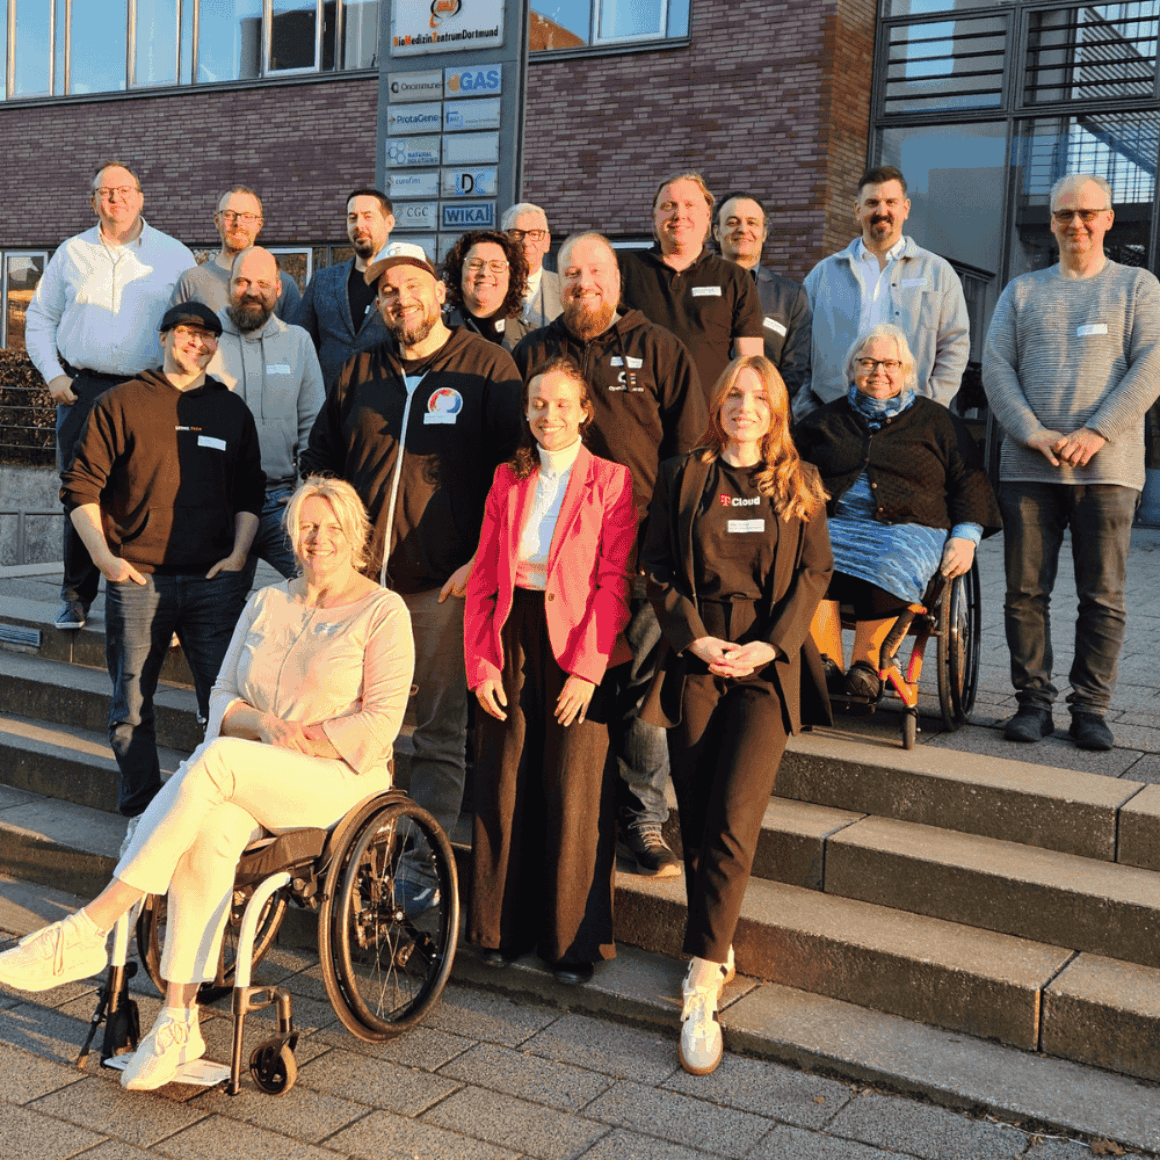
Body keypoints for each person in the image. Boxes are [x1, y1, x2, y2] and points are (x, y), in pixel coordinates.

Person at [0, 477, 415, 1093]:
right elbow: (221, 695)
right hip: (255, 768)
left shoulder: (383, 611)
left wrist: (297, 738)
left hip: (339, 778)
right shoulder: (268, 601)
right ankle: (178, 1021)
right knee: (209, 829)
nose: (318, 539)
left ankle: (93, 925)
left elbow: (380, 724)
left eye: (332, 528)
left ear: (355, 535)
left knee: (217, 761)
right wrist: (263, 725)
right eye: (307, 526)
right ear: (291, 533)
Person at [640, 355, 832, 1075]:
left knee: (733, 819)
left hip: (765, 663)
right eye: (734, 395)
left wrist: (769, 645)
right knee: (695, 817)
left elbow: (814, 571)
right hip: (697, 656)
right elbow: (657, 564)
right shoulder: (683, 475)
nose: (745, 406)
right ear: (718, 405)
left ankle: (700, 985)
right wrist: (693, 637)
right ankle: (714, 943)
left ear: (775, 410)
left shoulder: (799, 481)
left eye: (759, 397)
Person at [301, 241, 523, 852]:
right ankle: (357, 850)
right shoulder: (359, 370)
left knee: (436, 733)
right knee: (350, 720)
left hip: (444, 587)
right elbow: (320, 461)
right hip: (361, 586)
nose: (402, 299)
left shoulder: (487, 366)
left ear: (441, 292)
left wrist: (482, 557)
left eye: (413, 286)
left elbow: (517, 472)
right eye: (388, 291)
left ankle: (425, 861)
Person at [513, 231, 707, 878]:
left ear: (618, 281)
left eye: (595, 271)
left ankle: (642, 817)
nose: (583, 283)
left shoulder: (660, 349)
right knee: (558, 681)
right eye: (571, 273)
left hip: (641, 551)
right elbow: (512, 450)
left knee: (640, 687)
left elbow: (687, 455)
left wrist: (674, 543)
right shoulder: (533, 352)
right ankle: (564, 812)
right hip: (550, 559)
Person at [60, 303, 266, 831]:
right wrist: (105, 559)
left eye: (208, 335)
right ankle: (142, 813)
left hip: (213, 585)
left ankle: (216, 810)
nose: (197, 343)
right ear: (164, 337)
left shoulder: (231, 410)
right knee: (131, 706)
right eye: (186, 332)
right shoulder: (120, 403)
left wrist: (238, 555)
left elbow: (251, 491)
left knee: (224, 705)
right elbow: (80, 487)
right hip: (138, 580)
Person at [465, 357, 636, 985]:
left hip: (581, 641)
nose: (549, 415)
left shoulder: (612, 481)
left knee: (574, 787)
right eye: (538, 403)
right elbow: (485, 575)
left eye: (562, 404)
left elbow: (615, 582)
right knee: (504, 780)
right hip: (511, 633)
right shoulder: (507, 477)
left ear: (585, 411)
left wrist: (589, 671)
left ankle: (570, 941)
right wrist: (481, 663)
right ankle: (499, 929)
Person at [983, 173, 1160, 750]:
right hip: (1028, 468)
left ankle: (1091, 709)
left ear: (1108, 218)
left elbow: (1152, 365)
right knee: (1023, 593)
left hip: (1107, 470)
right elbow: (997, 368)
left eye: (1087, 213)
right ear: (1052, 222)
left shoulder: (1137, 286)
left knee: (1102, 596)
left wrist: (1096, 431)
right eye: (1065, 214)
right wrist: (1032, 432)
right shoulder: (1022, 292)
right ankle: (1032, 703)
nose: (1076, 223)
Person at [25, 159, 195, 631]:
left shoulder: (174, 255)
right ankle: (75, 596)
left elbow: (192, 325)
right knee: (82, 495)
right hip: (83, 391)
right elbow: (39, 319)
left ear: (141, 197)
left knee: (150, 494)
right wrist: (53, 376)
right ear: (93, 201)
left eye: (123, 190)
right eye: (105, 192)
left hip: (150, 390)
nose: (115, 198)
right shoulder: (71, 252)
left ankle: (146, 596)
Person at [795, 324, 1001, 697]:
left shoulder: (938, 422)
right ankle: (825, 663)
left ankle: (868, 665)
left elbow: (970, 480)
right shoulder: (824, 420)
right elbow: (786, 469)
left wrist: (966, 536)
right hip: (833, 524)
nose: (879, 372)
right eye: (868, 362)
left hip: (909, 528)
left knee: (891, 559)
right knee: (806, 556)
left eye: (890, 363)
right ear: (852, 368)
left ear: (906, 370)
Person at [799, 166, 969, 416]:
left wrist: (930, 411)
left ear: (906, 209)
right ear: (857, 210)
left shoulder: (938, 274)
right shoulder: (822, 275)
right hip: (833, 418)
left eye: (891, 202)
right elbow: (798, 349)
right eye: (872, 203)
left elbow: (955, 346)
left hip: (911, 419)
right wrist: (808, 411)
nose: (882, 211)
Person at [211, 246, 325, 581]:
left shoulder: (298, 342)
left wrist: (306, 492)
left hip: (281, 501)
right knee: (218, 602)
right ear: (229, 285)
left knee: (319, 584)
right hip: (220, 504)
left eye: (262, 283)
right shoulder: (206, 339)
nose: (252, 291)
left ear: (278, 289)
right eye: (242, 282)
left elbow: (313, 424)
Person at [619, 172, 764, 398]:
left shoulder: (734, 278)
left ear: (707, 216)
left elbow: (750, 365)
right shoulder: (622, 270)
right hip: (637, 412)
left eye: (689, 205)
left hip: (708, 415)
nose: (679, 214)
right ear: (655, 216)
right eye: (669, 206)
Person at [294, 188, 394, 392]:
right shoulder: (322, 281)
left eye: (368, 216)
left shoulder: (403, 283)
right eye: (352, 218)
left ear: (389, 223)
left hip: (385, 400)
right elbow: (299, 343)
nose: (359, 225)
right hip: (328, 402)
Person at [714, 191, 811, 400]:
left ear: (764, 233)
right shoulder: (696, 285)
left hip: (762, 410)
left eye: (752, 223)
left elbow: (794, 370)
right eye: (732, 222)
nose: (743, 229)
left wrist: (763, 404)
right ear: (716, 232)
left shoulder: (791, 297)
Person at [169, 185, 301, 320]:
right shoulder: (191, 282)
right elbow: (171, 332)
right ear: (217, 221)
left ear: (259, 225)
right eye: (229, 215)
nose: (238, 223)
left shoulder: (283, 284)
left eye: (247, 216)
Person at [442, 229, 531, 351]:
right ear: (459, 272)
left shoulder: (532, 340)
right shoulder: (435, 331)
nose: (485, 272)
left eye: (496, 265)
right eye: (475, 264)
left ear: (511, 275)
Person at [502, 202, 562, 327]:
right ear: (503, 240)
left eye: (535, 234)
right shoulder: (490, 286)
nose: (526, 242)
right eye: (517, 234)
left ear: (547, 242)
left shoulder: (565, 288)